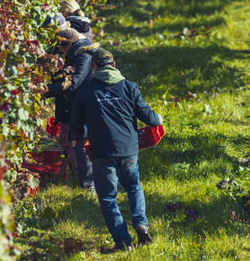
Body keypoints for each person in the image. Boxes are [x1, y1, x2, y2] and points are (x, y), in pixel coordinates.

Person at [71, 48, 162, 251]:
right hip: (129, 148)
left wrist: (76, 138)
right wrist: (159, 119)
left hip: (103, 151)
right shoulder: (129, 87)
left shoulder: (86, 92)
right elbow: (149, 116)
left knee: (107, 196)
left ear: (94, 67)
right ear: (113, 65)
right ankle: (141, 224)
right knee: (134, 187)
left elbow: (76, 126)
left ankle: (122, 241)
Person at [45, 27, 98, 189]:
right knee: (68, 141)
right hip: (70, 105)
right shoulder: (72, 53)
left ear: (70, 44)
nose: (60, 50)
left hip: (79, 106)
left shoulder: (83, 57)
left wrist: (45, 91)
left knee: (76, 142)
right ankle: (78, 176)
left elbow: (73, 83)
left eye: (62, 46)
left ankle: (87, 182)